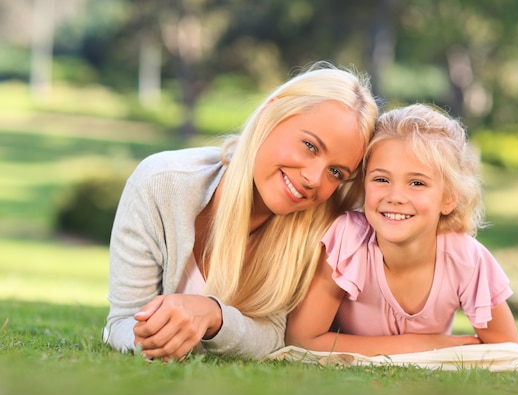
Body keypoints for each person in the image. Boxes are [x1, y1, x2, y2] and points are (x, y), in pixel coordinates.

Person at [103, 62, 379, 361]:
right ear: (269, 115)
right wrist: (152, 337)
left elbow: (275, 335)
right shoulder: (160, 184)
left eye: (336, 172)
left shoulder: (322, 229)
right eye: (310, 146)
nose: (314, 178)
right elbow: (122, 321)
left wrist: (213, 316)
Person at [286, 103, 518, 356]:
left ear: (449, 198)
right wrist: (421, 345)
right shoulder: (349, 241)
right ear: (364, 184)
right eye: (381, 179)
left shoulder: (466, 259)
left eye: (417, 183)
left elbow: (508, 351)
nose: (395, 196)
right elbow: (303, 340)